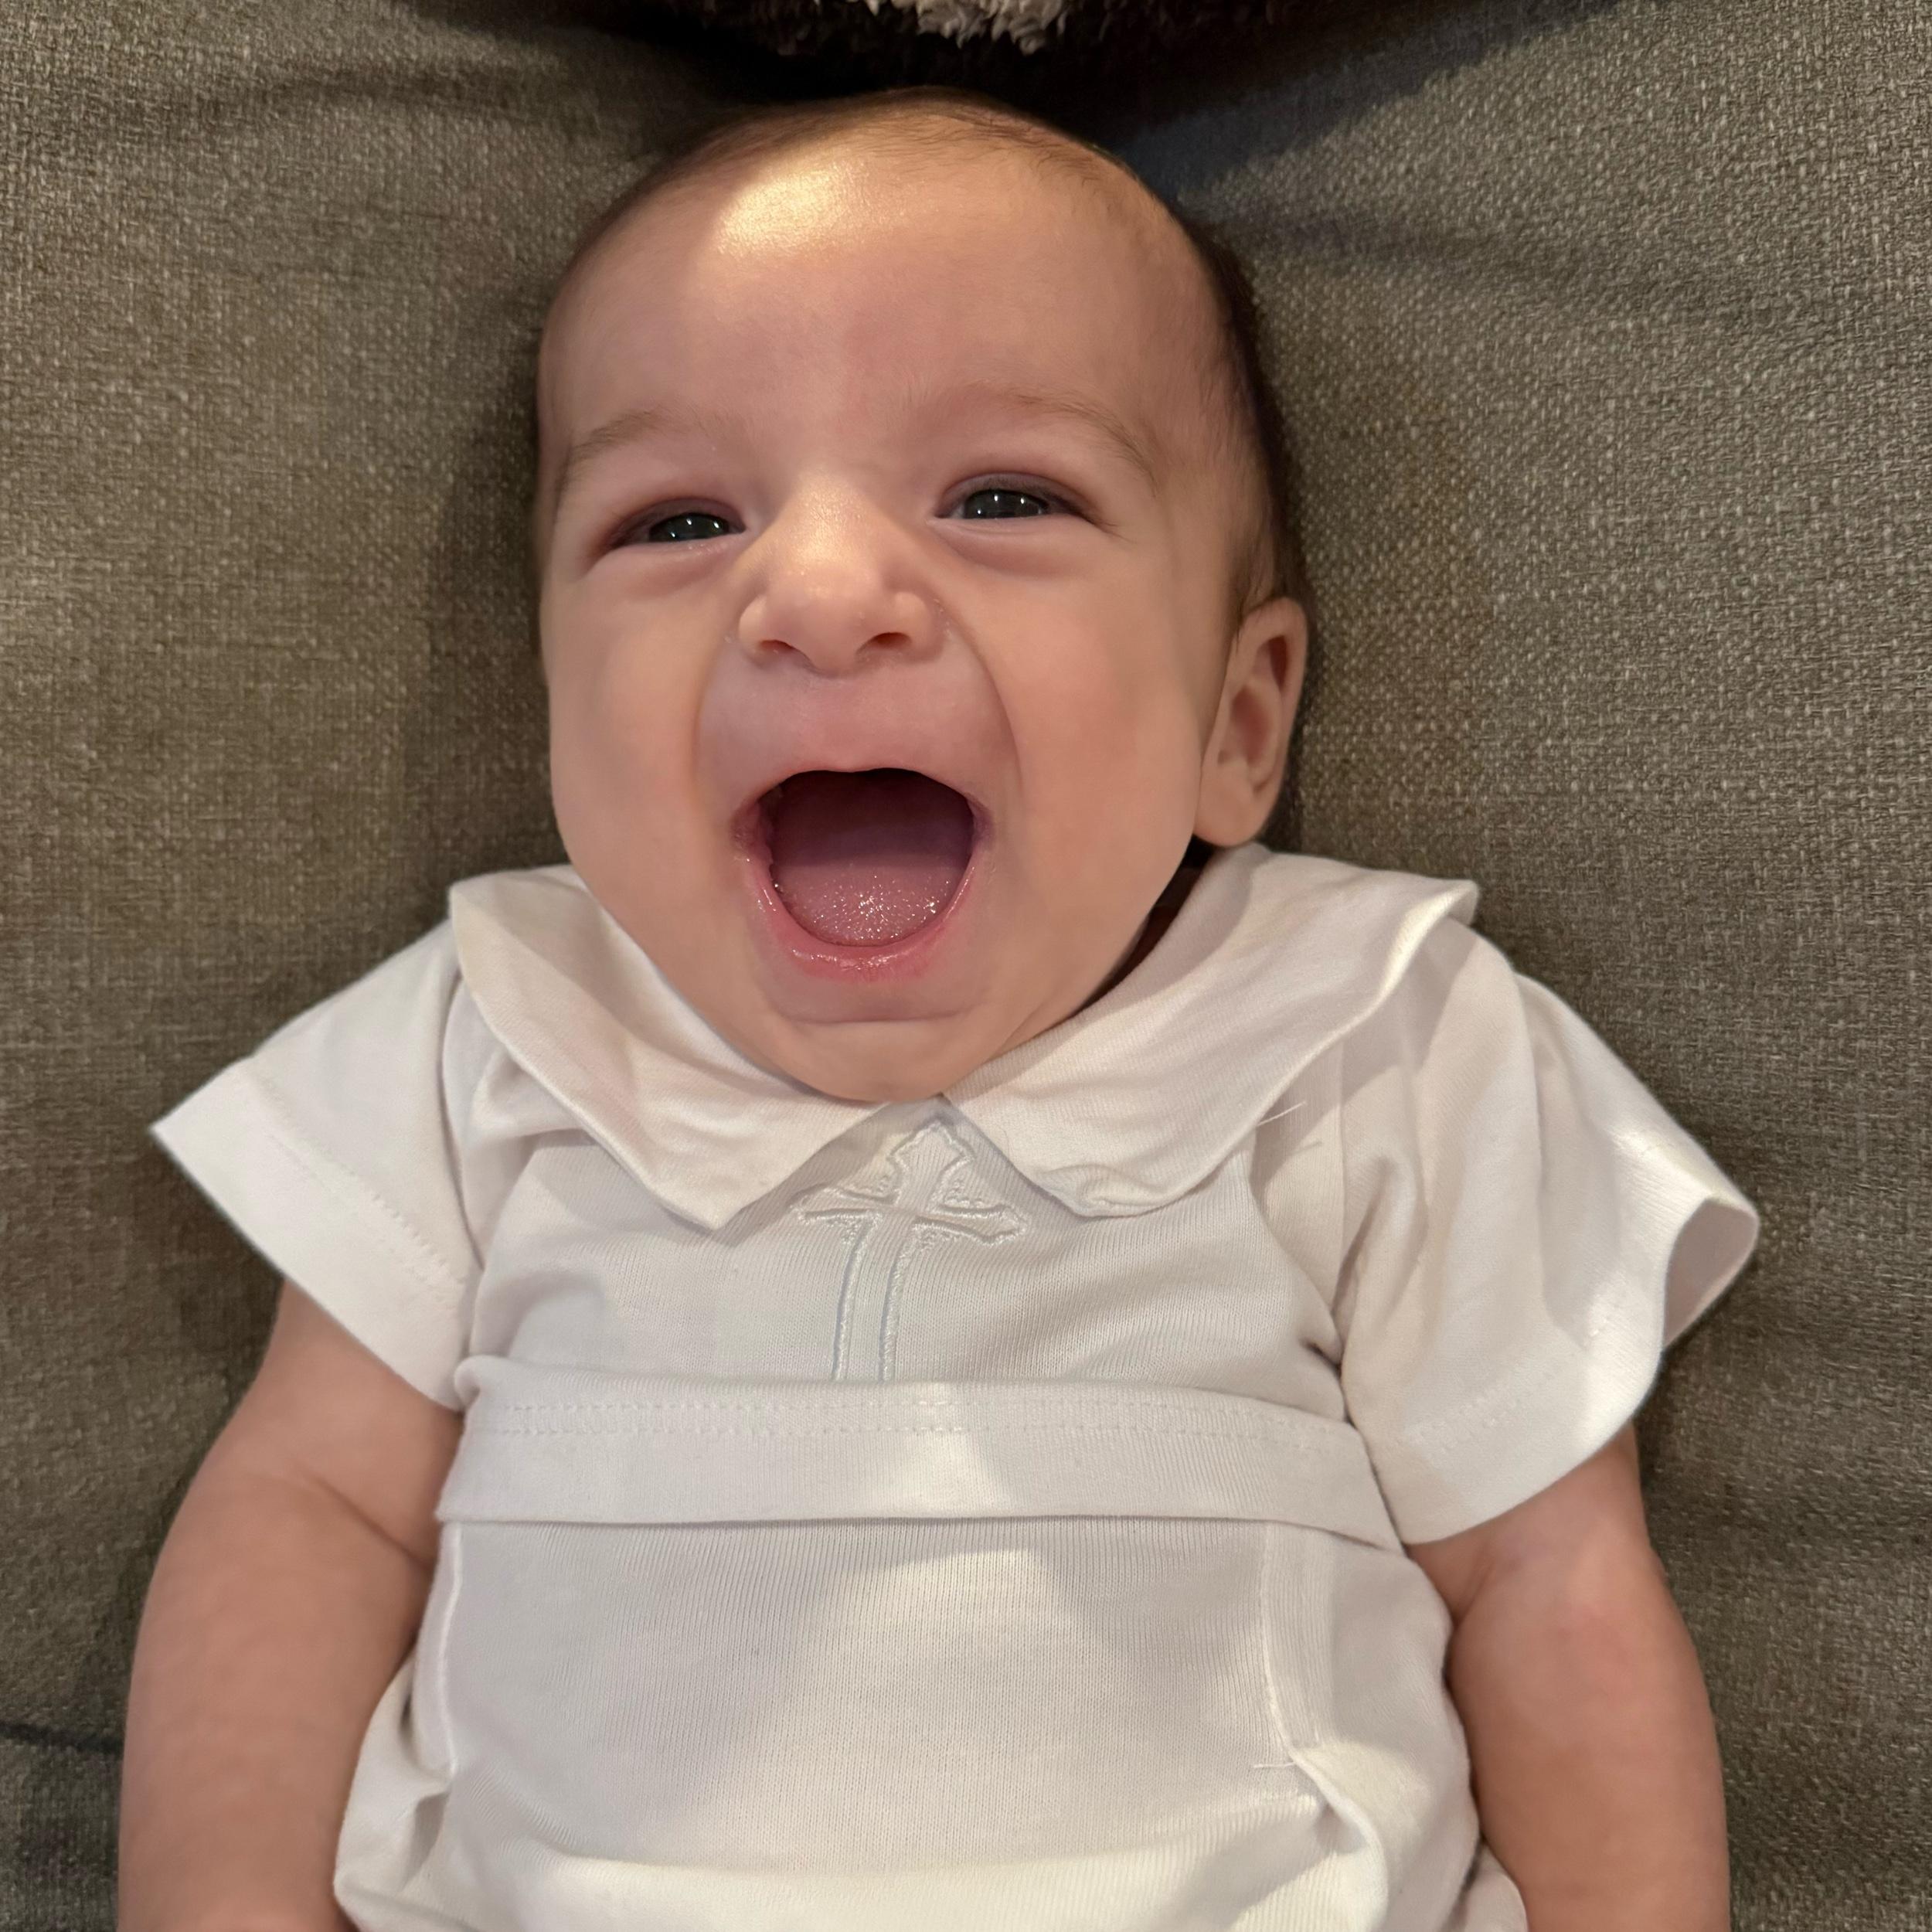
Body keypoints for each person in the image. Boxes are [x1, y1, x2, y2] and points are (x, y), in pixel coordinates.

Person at [121, 83, 1758, 1932]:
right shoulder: (483, 1034)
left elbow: (1548, 1580)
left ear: (1237, 722)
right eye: (676, 518)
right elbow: (308, 1511)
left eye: (1001, 497)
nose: (817, 594)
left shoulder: (1370, 1034)